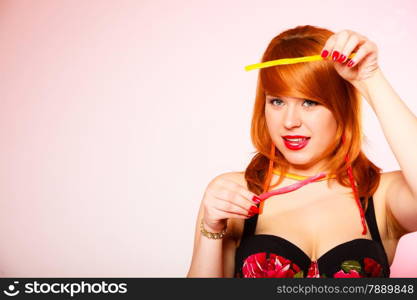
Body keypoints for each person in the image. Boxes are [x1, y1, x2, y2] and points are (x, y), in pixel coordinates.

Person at [186, 25, 417, 278]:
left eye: (309, 102)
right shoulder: (237, 195)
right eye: (277, 101)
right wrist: (210, 230)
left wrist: (370, 78)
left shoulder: (380, 196)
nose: (289, 121)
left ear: (341, 108)